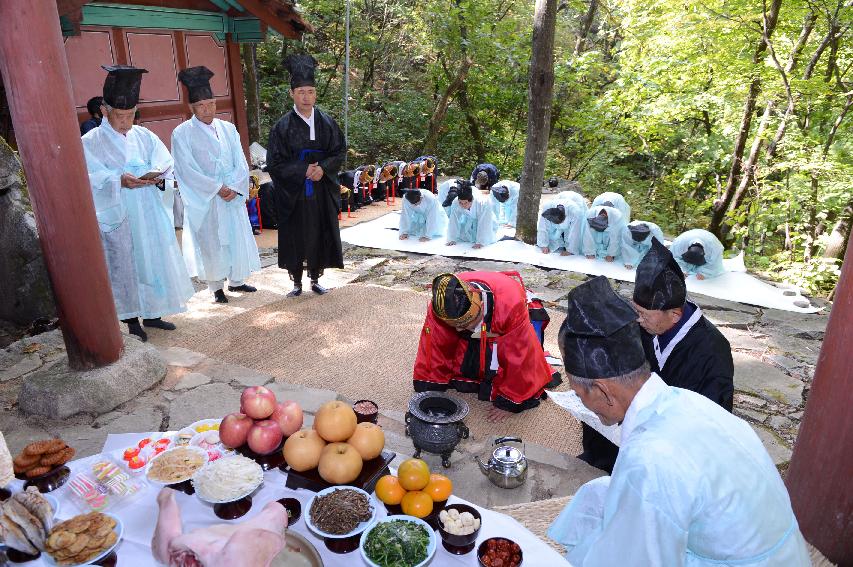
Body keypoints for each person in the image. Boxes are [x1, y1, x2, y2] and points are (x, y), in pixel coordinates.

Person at [547, 275, 809, 566]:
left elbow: (640, 557)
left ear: (603, 391)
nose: (580, 401)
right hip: (776, 549)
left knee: (608, 546)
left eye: (577, 392)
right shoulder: (685, 401)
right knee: (597, 494)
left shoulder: (650, 459)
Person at [579, 238, 736, 472]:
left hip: (674, 436)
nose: (638, 319)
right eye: (636, 311)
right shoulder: (646, 325)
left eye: (644, 314)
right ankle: (599, 462)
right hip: (634, 417)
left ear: (674, 314)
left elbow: (709, 420)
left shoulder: (711, 351)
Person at [82, 65, 193, 341]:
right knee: (125, 263)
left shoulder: (144, 136)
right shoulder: (91, 141)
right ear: (105, 112)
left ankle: (154, 313)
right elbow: (88, 175)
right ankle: (130, 319)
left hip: (149, 209)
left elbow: (167, 165)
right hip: (120, 213)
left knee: (153, 259)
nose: (126, 121)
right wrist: (117, 179)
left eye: (131, 115)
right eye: (121, 116)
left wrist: (158, 179)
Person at [413, 272, 558, 422]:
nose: (458, 331)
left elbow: (519, 357)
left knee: (510, 374)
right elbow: (435, 347)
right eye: (455, 325)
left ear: (481, 306)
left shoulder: (510, 306)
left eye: (464, 324)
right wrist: (430, 389)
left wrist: (509, 402)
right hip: (479, 328)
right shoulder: (443, 303)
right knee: (446, 348)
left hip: (506, 313)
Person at [171, 66, 261, 304]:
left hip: (231, 195)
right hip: (208, 199)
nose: (207, 110)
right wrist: (217, 188)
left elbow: (241, 161)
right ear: (191, 108)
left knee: (235, 235)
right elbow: (186, 169)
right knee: (211, 241)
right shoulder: (182, 133)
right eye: (201, 106)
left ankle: (237, 280)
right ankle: (216, 286)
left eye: (211, 104)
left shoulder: (228, 128)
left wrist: (234, 187)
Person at [266, 54, 346, 297]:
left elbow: (339, 151)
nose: (306, 96)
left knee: (320, 231)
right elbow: (274, 162)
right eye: (301, 91)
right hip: (295, 192)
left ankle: (315, 277)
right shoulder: (282, 127)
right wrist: (302, 170)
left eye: (310, 91)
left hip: (321, 189)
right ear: (292, 94)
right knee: (296, 233)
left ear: (315, 94)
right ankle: (297, 282)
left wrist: (323, 168)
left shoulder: (327, 122)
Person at [446, 181, 498, 249]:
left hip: (486, 220)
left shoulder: (483, 202)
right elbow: (453, 220)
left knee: (487, 237)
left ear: (472, 200)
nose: (463, 205)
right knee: (463, 235)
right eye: (460, 203)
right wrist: (452, 238)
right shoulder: (456, 202)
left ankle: (483, 239)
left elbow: (484, 223)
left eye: (465, 203)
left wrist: (480, 242)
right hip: (469, 219)